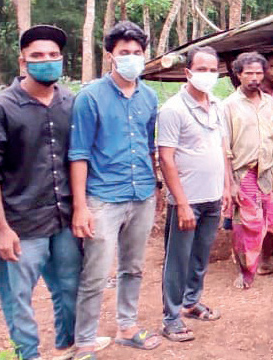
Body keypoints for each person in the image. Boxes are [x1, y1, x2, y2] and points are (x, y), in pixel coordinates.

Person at [0, 25, 106, 360]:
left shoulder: (71, 103)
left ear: (61, 60)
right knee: (19, 297)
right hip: (20, 222)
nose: (47, 61)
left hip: (63, 218)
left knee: (69, 286)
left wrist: (81, 207)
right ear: (23, 62)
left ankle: (68, 344)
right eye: (38, 56)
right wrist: (1, 229)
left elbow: (81, 156)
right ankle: (27, 354)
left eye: (53, 56)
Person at [69, 21, 162, 357]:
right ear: (110, 55)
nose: (131, 58)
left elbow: (150, 147)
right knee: (95, 272)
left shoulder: (149, 97)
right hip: (103, 198)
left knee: (133, 266)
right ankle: (84, 342)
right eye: (124, 53)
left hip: (141, 195)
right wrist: (80, 206)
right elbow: (78, 153)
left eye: (137, 53)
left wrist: (156, 187)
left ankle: (127, 326)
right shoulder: (90, 97)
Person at [157, 46, 229, 342]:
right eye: (201, 69)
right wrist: (182, 203)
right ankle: (171, 317)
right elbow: (166, 158)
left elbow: (222, 150)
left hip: (213, 197)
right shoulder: (172, 109)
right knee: (178, 258)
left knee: (201, 255)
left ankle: (191, 302)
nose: (208, 75)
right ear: (187, 73)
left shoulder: (218, 105)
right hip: (187, 200)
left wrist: (227, 188)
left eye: (212, 70)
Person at [222, 52, 273, 289]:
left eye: (259, 73)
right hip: (242, 172)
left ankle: (258, 262)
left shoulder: (268, 101)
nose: (255, 78)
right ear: (238, 75)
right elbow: (224, 148)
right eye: (249, 73)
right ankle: (244, 271)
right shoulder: (228, 105)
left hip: (266, 171)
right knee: (245, 224)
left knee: (270, 219)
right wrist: (231, 183)